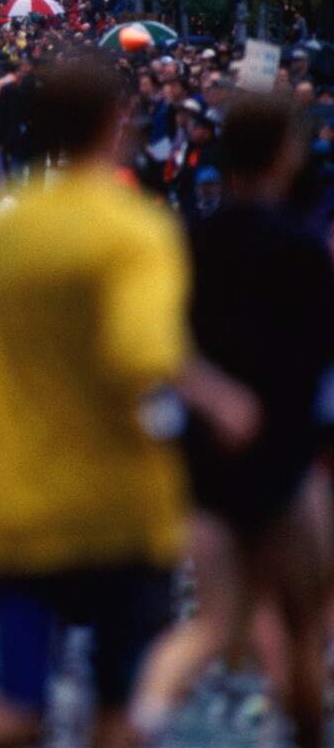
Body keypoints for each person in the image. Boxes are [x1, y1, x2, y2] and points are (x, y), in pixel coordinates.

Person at [0, 59, 252, 748]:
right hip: (120, 508)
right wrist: (221, 401)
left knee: (16, 705)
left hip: (13, 498)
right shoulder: (133, 231)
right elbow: (143, 351)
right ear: (116, 123)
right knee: (116, 710)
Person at [132, 94, 334, 748]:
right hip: (287, 463)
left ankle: (140, 722)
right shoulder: (305, 252)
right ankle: (304, 732)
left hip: (206, 468)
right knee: (305, 624)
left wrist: (207, 399)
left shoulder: (188, 242)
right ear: (285, 156)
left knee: (210, 625)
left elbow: (159, 344)